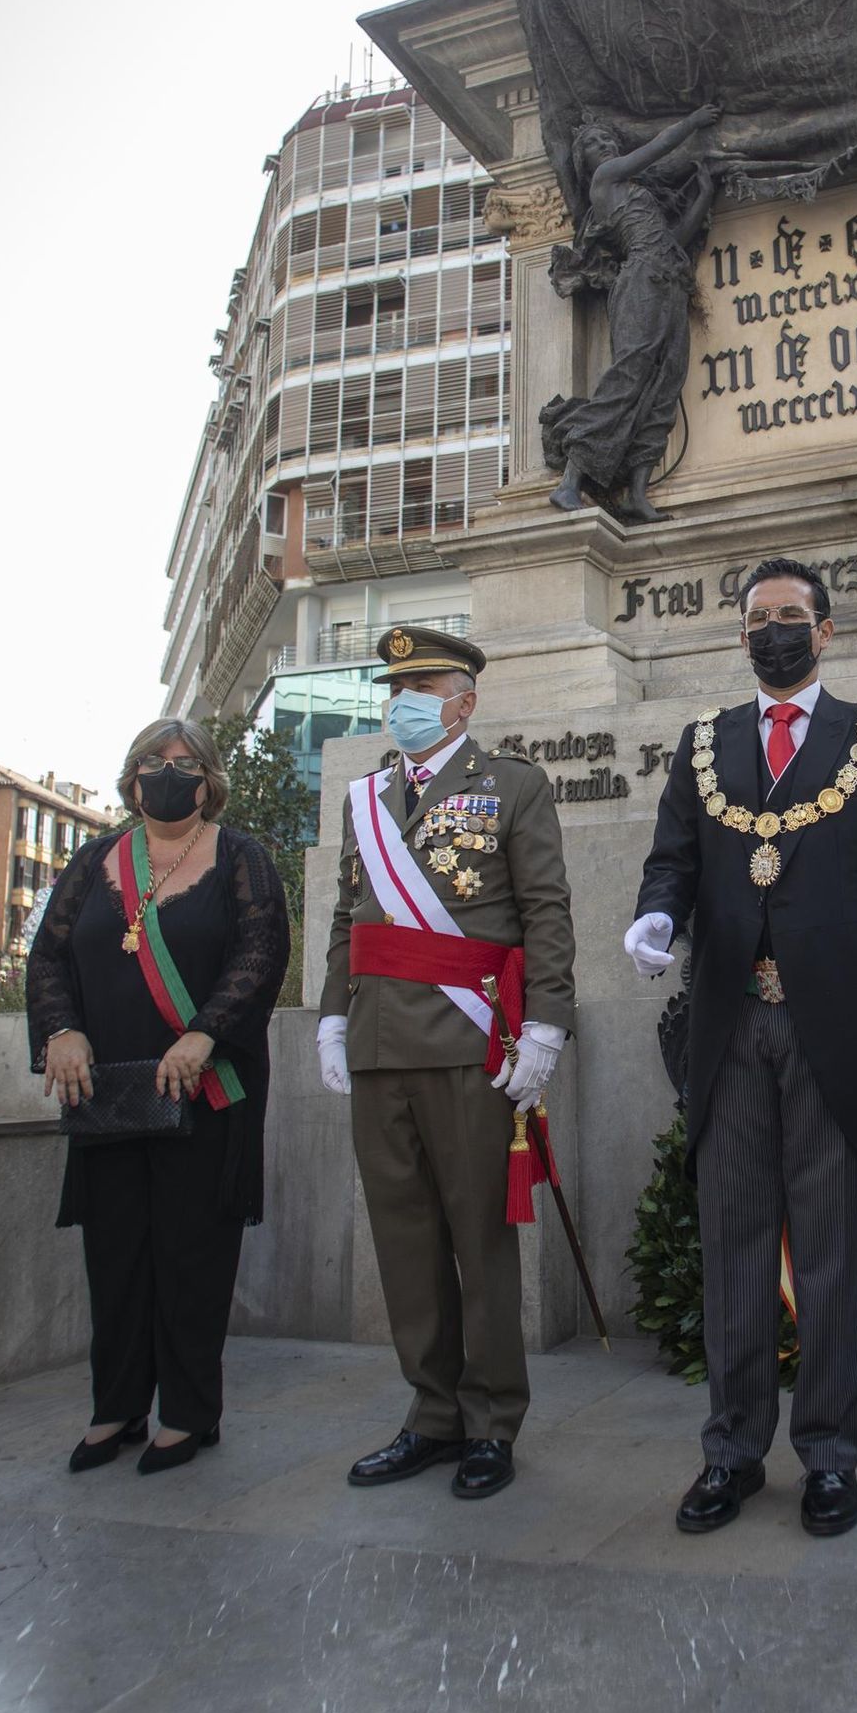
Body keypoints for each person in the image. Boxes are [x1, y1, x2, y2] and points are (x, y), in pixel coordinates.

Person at [626, 555, 857, 1538]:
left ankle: (829, 1457)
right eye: (758, 616)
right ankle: (729, 1451)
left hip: (835, 1034)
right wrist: (653, 917)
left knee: (828, 1255)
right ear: (740, 636)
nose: (774, 629)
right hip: (729, 1026)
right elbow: (672, 858)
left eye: (791, 614)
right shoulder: (703, 742)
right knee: (732, 1252)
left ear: (825, 629)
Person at [318, 623, 576, 1502]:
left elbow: (545, 914)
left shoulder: (512, 785)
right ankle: (432, 1413)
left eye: (423, 686)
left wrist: (544, 1028)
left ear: (464, 699)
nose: (405, 702)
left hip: (472, 1047)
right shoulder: (365, 799)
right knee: (404, 1241)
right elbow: (347, 924)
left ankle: (492, 1418)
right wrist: (328, 1021)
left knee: (478, 1239)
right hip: (380, 1044)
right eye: (396, 687)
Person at [26, 719, 291, 1475]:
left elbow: (261, 953)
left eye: (182, 763)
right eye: (152, 762)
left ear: (208, 779)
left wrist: (206, 1034)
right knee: (114, 1255)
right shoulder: (93, 860)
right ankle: (115, 1408)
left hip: (206, 1090)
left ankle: (186, 1412)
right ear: (131, 775)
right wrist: (60, 1032)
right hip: (107, 1093)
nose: (166, 773)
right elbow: (47, 955)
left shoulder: (243, 858)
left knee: (191, 1253)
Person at [546, 104, 726, 521]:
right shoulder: (606, 180)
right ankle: (570, 481)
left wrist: (702, 196)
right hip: (641, 280)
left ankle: (638, 493)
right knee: (629, 374)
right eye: (593, 143)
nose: (604, 144)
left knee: (666, 382)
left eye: (607, 139)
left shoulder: (632, 191)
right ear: (584, 162)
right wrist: (693, 122)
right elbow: (658, 148)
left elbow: (676, 239)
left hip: (671, 280)